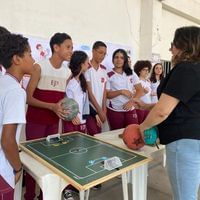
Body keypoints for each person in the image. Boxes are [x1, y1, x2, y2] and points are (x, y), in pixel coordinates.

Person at [137, 26, 200, 200]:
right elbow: (182, 104)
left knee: (184, 196)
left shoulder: (186, 69)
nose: (170, 49)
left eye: (173, 44)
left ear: (183, 45)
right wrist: (146, 106)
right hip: (195, 139)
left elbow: (163, 112)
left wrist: (142, 127)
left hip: (183, 142)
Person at [24, 32, 73, 200]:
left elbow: (60, 99)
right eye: (68, 47)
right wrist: (51, 106)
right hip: (36, 122)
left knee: (50, 161)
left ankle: (45, 196)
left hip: (53, 123)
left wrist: (68, 109)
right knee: (32, 161)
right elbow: (28, 98)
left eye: (72, 47)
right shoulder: (39, 67)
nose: (70, 51)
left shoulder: (67, 73)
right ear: (56, 47)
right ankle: (29, 195)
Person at [0, 33, 34, 200]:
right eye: (29, 54)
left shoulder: (2, 82)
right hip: (2, 171)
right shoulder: (16, 92)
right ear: (17, 59)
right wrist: (18, 168)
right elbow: (7, 140)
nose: (33, 59)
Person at [106, 49, 143, 130]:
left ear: (125, 60)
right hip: (114, 110)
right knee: (116, 135)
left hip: (130, 109)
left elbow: (140, 90)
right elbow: (107, 95)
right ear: (113, 60)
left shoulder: (131, 73)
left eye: (122, 58)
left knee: (134, 133)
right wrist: (121, 91)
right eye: (116, 57)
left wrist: (132, 102)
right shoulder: (108, 74)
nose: (119, 59)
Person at [85, 41, 107, 136]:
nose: (102, 56)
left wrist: (104, 110)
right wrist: (99, 111)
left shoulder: (104, 69)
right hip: (90, 110)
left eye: (105, 54)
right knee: (93, 136)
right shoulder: (86, 68)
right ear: (93, 51)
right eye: (100, 52)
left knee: (99, 135)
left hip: (100, 111)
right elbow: (89, 93)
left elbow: (104, 92)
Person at [63, 51, 89, 133]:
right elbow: (65, 100)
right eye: (87, 63)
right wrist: (73, 116)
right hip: (71, 120)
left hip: (82, 120)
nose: (88, 65)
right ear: (82, 64)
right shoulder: (69, 80)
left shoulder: (82, 80)